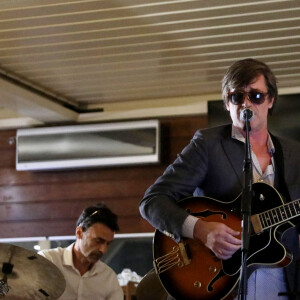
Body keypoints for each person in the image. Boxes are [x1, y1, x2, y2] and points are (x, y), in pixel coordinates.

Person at [139, 58, 300, 300]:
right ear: (227, 102)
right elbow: (152, 201)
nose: (246, 104)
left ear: (270, 100)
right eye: (237, 97)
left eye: (255, 96)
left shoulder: (294, 153)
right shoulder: (208, 144)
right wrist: (200, 229)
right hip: (218, 280)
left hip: (281, 279)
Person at [39, 203, 124, 300]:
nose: (103, 250)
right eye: (98, 241)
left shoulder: (109, 278)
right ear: (79, 233)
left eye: (108, 243)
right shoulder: (49, 261)